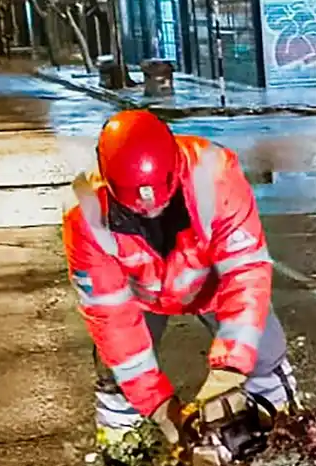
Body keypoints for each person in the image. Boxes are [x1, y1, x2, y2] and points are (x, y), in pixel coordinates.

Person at [63, 110, 296, 447]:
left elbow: (245, 272)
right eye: (138, 207)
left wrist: (230, 366)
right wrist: (158, 405)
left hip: (212, 285)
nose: (149, 212)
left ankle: (287, 434)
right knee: (118, 371)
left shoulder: (215, 176)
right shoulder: (85, 216)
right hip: (140, 293)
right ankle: (121, 454)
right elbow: (111, 317)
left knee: (262, 353)